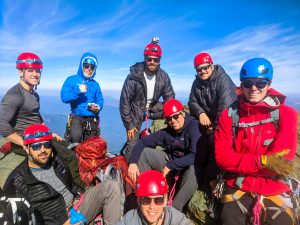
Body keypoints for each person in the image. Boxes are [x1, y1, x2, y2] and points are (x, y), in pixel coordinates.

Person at [215, 58, 297, 225]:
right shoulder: (229, 115)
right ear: (241, 84)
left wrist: (239, 162)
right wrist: (264, 161)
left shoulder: (287, 115)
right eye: (247, 83)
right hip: (239, 184)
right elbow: (222, 158)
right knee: (229, 219)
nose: (253, 88)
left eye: (260, 83)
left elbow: (281, 162)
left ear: (269, 84)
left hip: (273, 186)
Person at [3, 124, 122, 225]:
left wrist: (85, 194)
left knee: (111, 186)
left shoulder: (56, 161)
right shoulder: (16, 182)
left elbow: (71, 185)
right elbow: (24, 219)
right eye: (36, 146)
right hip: (60, 221)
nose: (43, 150)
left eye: (47, 145)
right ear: (26, 148)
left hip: (77, 205)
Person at [0, 52, 84, 188]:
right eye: (30, 70)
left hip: (38, 137)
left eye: (37, 71)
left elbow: (36, 118)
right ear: (20, 72)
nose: (35, 74)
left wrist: (49, 133)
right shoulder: (15, 95)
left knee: (67, 146)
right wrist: (24, 143)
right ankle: (79, 189)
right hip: (27, 141)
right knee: (70, 157)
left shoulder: (33, 94)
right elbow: (2, 124)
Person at [128, 99, 204, 212]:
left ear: (182, 113)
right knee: (145, 153)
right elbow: (143, 142)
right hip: (172, 164)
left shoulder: (193, 127)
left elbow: (196, 156)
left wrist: (170, 165)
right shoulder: (167, 132)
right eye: (169, 119)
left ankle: (174, 210)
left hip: (189, 166)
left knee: (195, 170)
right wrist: (133, 162)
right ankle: (147, 195)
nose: (173, 121)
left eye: (176, 116)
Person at [120, 37, 175, 161]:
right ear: (144, 59)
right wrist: (129, 125)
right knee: (132, 144)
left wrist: (172, 117)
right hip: (135, 112)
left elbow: (169, 98)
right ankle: (130, 169)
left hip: (152, 109)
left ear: (159, 60)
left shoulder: (163, 77)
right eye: (149, 59)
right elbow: (125, 102)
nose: (152, 62)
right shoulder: (134, 76)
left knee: (175, 113)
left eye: (155, 59)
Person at [116, 170, 192, 225]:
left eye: (158, 200)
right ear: (138, 201)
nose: (152, 206)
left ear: (165, 200)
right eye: (146, 200)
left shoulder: (177, 220)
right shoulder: (130, 219)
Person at [61, 52, 104, 146]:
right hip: (77, 117)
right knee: (75, 144)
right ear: (81, 65)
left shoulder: (95, 84)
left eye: (92, 67)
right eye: (86, 65)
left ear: (95, 69)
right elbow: (64, 98)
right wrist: (78, 91)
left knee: (90, 147)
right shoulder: (72, 80)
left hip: (92, 119)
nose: (89, 69)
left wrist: (98, 107)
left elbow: (100, 99)